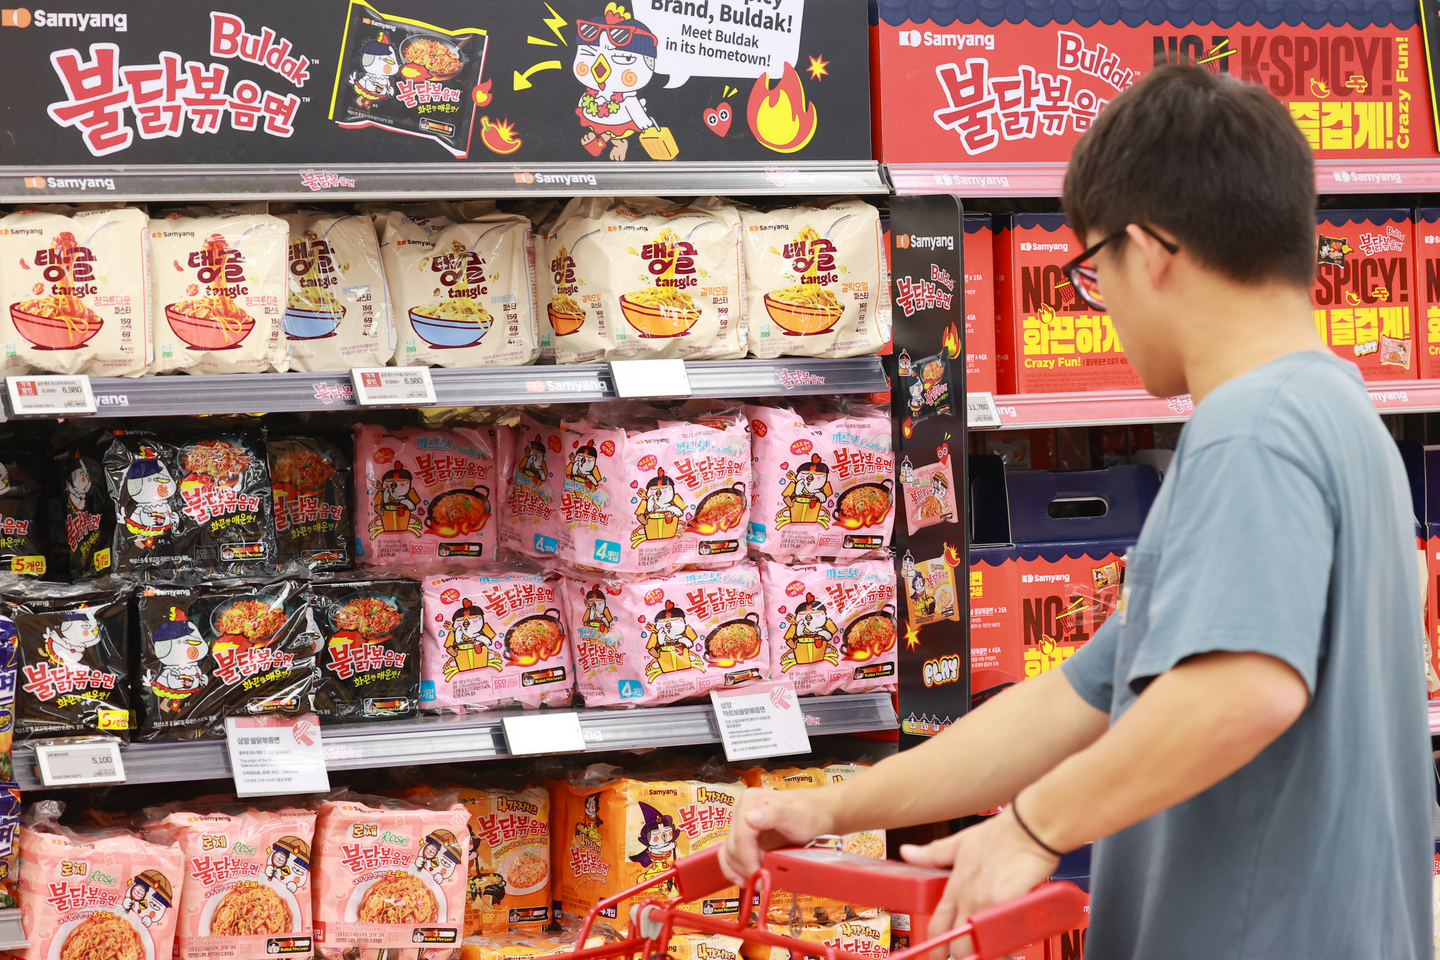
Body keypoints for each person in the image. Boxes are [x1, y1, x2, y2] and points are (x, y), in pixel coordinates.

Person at [720, 64, 1433, 959]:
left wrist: (1030, 827)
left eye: (1093, 269)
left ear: (1150, 251)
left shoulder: (1251, 430)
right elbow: (1077, 698)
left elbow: (1247, 690)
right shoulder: (1342, 417)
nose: (1104, 308)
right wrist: (831, 806)